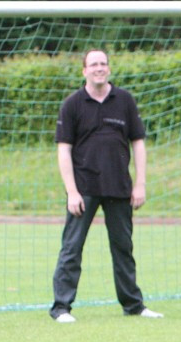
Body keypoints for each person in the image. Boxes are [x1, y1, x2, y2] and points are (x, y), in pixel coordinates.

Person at [49, 49, 162, 322]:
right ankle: (61, 308)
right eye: (93, 64)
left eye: (103, 64)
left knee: (123, 247)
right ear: (84, 70)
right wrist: (72, 191)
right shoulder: (73, 104)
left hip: (119, 186)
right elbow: (64, 150)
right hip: (84, 188)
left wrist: (141, 184)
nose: (99, 68)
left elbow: (138, 143)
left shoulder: (124, 100)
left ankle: (133, 305)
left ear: (109, 69)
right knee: (72, 248)